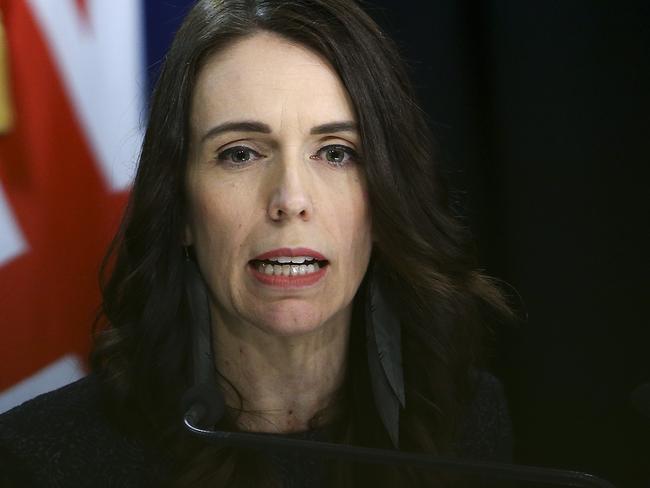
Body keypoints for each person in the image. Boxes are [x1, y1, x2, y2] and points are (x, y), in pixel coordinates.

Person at [0, 0, 513, 486]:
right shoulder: (45, 460)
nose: (290, 199)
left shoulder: (465, 421)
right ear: (179, 206)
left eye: (336, 153)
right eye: (241, 154)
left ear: (383, 202)